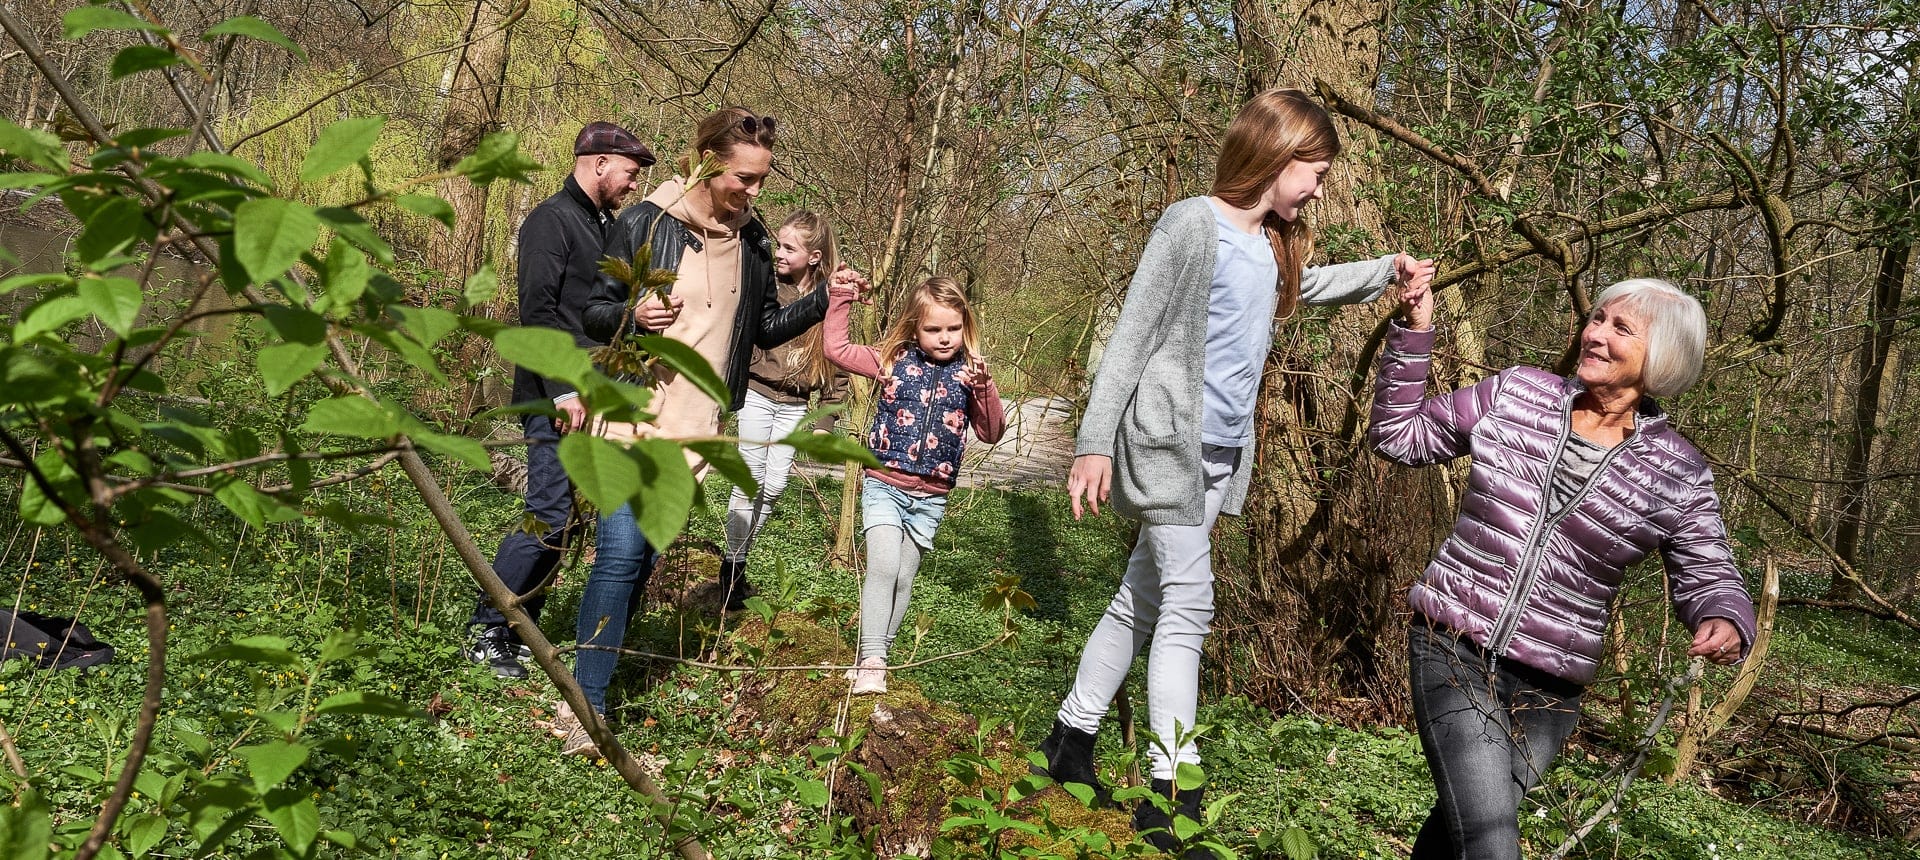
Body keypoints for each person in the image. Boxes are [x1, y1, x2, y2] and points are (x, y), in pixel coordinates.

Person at [1038, 89, 1437, 856]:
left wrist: (1384, 270)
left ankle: (1070, 738)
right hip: (1164, 443)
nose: (1318, 188)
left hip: (1219, 453)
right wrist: (1093, 442)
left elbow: (1302, 290)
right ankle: (1172, 792)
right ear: (1275, 155)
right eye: (1313, 173)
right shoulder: (1192, 224)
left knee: (1141, 601)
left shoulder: (1272, 244)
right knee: (1190, 606)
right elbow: (1132, 334)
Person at [1369, 275, 1756, 860]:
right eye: (1596, 318)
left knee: (1459, 835)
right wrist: (1415, 333)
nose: (1595, 334)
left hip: (1551, 686)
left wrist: (1726, 617)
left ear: (1662, 359)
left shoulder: (1676, 470)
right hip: (1454, 645)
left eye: (1620, 328)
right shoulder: (1518, 394)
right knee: (1490, 840)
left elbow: (1709, 568)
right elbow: (1400, 437)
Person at [556, 107, 828, 756]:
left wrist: (826, 301)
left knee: (643, 560)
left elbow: (761, 330)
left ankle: (592, 673)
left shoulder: (756, 242)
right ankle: (583, 711)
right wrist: (632, 312)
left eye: (762, 179)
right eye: (742, 178)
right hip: (632, 416)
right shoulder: (647, 222)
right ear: (705, 161)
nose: (753, 192)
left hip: (698, 433)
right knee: (621, 555)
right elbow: (591, 311)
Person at [462, 122, 652, 680]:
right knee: (547, 513)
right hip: (553, 396)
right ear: (598, 163)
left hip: (596, 397)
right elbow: (537, 313)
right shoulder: (550, 221)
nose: (633, 185)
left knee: (566, 524)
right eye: (630, 173)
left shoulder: (604, 226)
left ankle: (523, 631)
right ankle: (487, 629)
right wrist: (563, 389)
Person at [823, 274, 1005, 695]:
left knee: (904, 577)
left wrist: (985, 387)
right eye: (933, 329)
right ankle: (871, 657)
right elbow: (837, 349)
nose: (945, 338)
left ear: (966, 326)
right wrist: (842, 296)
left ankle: (876, 655)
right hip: (885, 483)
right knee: (884, 566)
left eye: (953, 328)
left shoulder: (969, 374)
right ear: (914, 327)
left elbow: (991, 432)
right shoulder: (893, 360)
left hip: (932, 497)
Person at [722, 211, 846, 596]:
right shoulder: (769, 286)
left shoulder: (829, 299)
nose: (778, 252)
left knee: (773, 487)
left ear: (813, 256)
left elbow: (837, 362)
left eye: (789, 247)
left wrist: (826, 420)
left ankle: (740, 555)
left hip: (795, 403)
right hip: (758, 394)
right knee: (749, 480)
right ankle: (732, 570)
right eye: (778, 243)